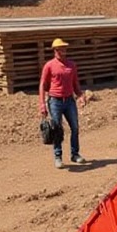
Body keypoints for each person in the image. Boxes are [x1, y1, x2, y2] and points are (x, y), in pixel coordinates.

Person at [38, 38, 86, 169]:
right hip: (55, 101)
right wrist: (42, 104)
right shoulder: (49, 66)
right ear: (55, 50)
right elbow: (42, 85)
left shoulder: (72, 65)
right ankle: (58, 156)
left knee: (75, 127)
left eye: (65, 48)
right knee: (57, 130)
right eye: (61, 48)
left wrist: (80, 95)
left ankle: (75, 154)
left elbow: (75, 83)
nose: (64, 50)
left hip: (69, 100)